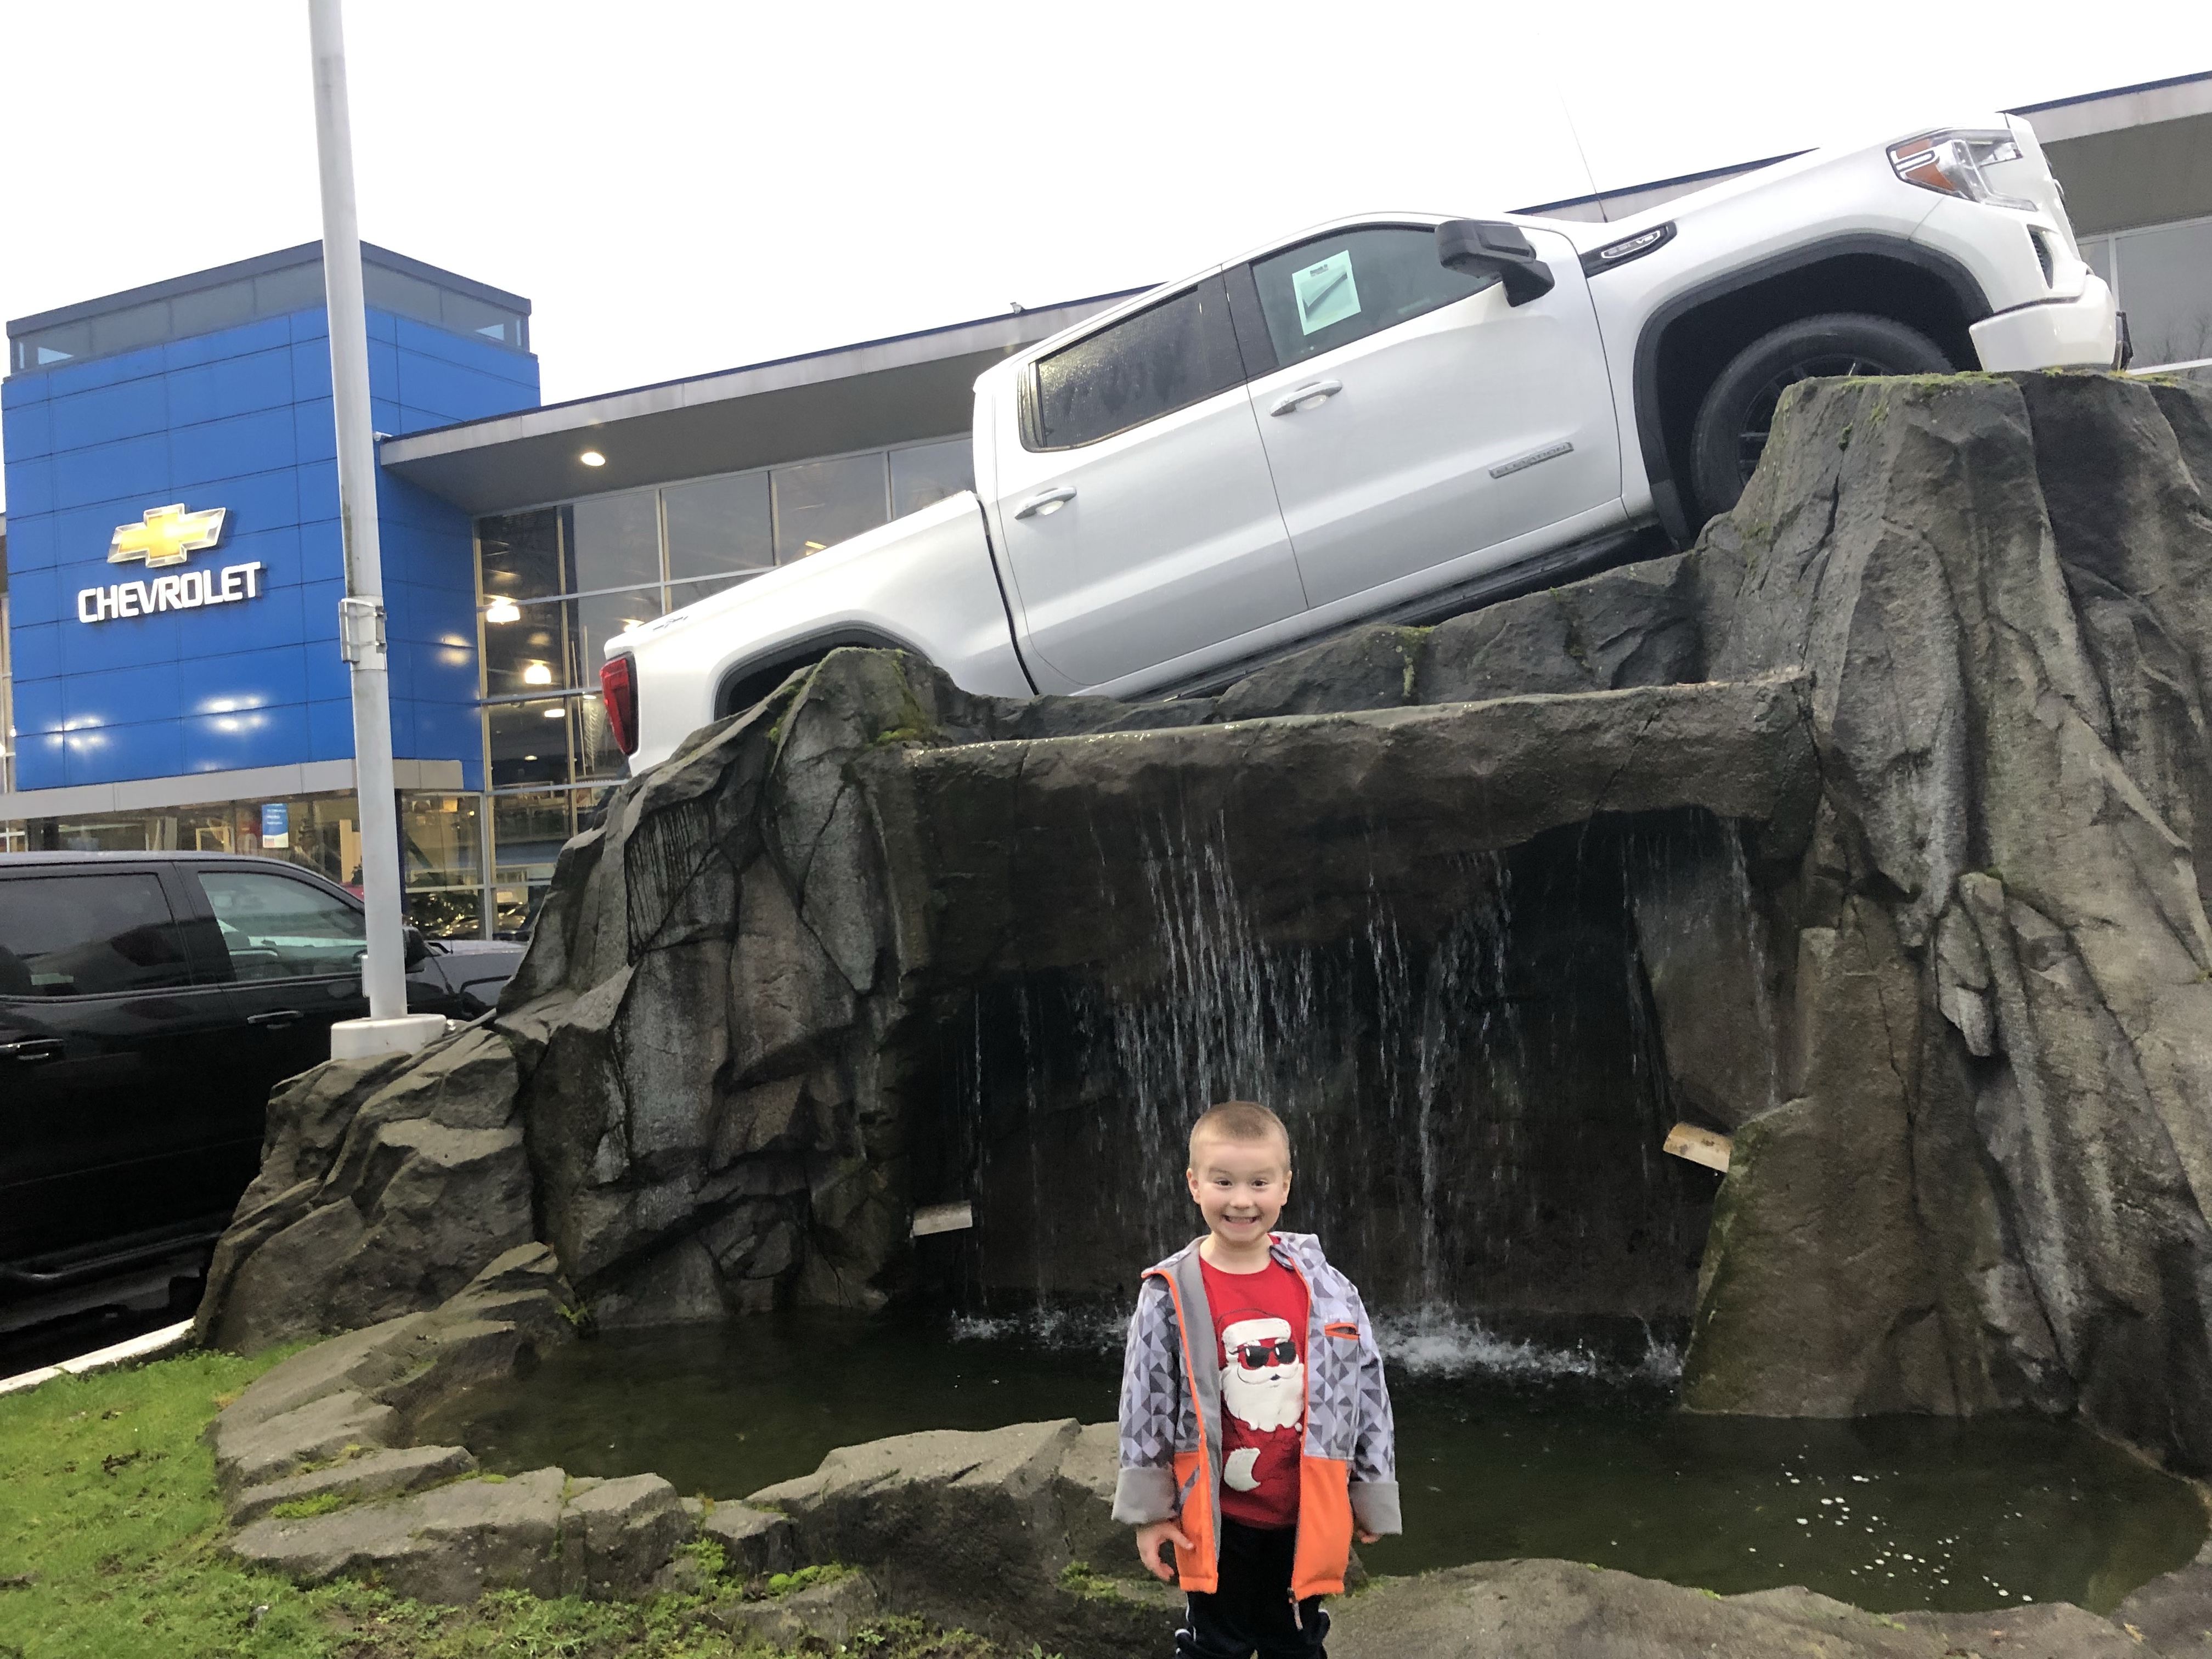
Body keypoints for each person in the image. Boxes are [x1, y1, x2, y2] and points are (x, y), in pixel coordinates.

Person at [1114, 1099, 1400, 1657]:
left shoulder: (1328, 1287)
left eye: (1259, 1183)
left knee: (1297, 1644)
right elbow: (1145, 1400)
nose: (1241, 1200)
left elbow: (1367, 1387)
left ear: (1285, 1187)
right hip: (1217, 1521)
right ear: (1194, 1184)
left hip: (1304, 1515)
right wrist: (1150, 1515)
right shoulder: (1169, 1294)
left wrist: (1371, 1488)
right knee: (1213, 1646)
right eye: (1223, 1182)